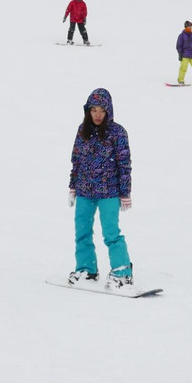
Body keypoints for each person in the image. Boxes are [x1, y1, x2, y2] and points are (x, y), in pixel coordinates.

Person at [67, 88, 134, 289]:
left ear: (108, 112)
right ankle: (87, 269)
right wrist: (73, 187)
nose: (97, 115)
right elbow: (76, 160)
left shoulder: (117, 132)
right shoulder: (82, 130)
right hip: (85, 191)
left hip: (109, 192)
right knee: (82, 231)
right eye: (93, 110)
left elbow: (124, 164)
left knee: (111, 233)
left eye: (101, 111)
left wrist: (125, 193)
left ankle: (122, 273)